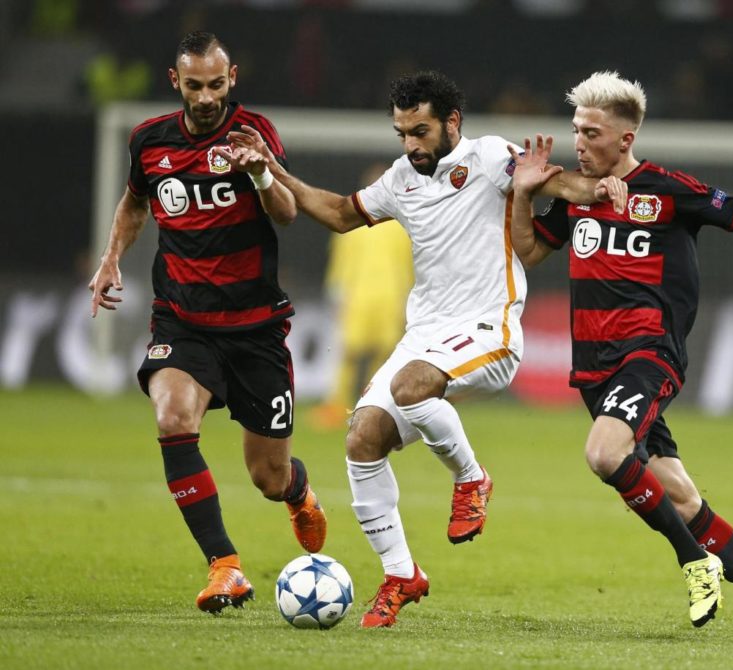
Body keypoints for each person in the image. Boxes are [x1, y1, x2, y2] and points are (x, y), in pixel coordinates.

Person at [222, 70, 622, 628]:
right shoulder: (399, 180)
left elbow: (565, 187)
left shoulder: (490, 157)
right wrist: (272, 169)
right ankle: (400, 574)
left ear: (451, 122)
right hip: (426, 336)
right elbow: (338, 214)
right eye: (402, 133)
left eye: (420, 131)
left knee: (411, 385)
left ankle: (471, 478)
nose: (411, 144)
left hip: (489, 329)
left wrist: (603, 187)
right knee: (362, 438)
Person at [508, 71, 733, 644]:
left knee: (603, 453)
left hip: (649, 353)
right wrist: (522, 194)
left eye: (591, 133)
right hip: (594, 370)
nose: (579, 143)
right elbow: (530, 251)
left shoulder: (667, 189)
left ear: (626, 138)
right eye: (576, 130)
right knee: (683, 499)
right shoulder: (577, 198)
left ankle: (693, 561)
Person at [88, 31, 327, 614]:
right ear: (176, 81)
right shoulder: (150, 140)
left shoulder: (254, 133)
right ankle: (225, 566)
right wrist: (111, 255)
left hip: (255, 326)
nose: (205, 97)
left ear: (232, 78)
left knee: (268, 477)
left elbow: (287, 213)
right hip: (183, 320)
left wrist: (261, 173)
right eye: (193, 85)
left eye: (215, 85)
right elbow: (135, 201)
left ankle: (298, 492)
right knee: (172, 418)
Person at [310, 163, 413, 431]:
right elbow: (342, 262)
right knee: (350, 352)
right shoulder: (362, 223)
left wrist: (409, 299)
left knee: (380, 355)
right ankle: (339, 406)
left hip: (386, 296)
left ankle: (371, 407)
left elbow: (410, 265)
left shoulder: (400, 224)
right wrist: (337, 293)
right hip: (364, 296)